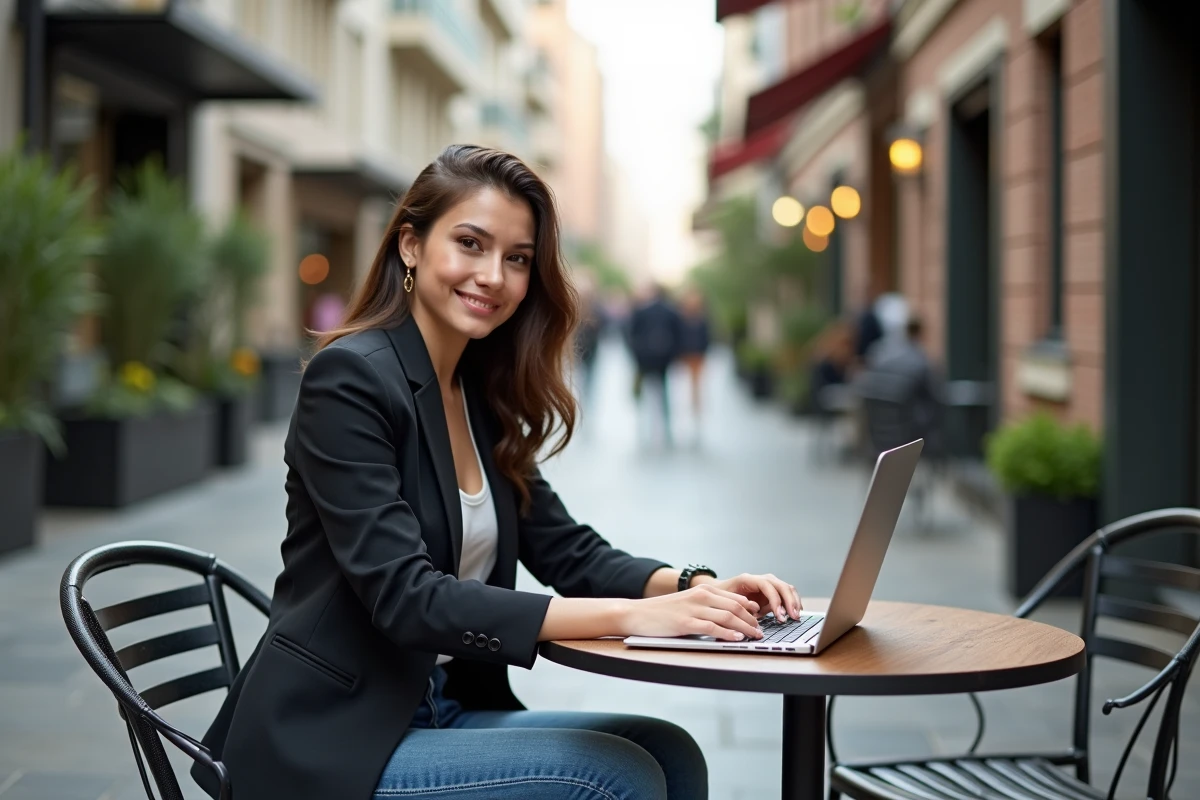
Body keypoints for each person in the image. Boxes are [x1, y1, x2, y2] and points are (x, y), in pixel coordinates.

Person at [192, 145, 802, 800]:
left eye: (516, 258)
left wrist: (696, 589)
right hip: (335, 739)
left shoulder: (473, 387)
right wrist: (633, 616)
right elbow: (407, 597)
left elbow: (565, 548)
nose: (494, 275)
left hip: (438, 706)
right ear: (410, 245)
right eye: (471, 244)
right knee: (616, 778)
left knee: (669, 751)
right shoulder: (352, 380)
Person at [627, 282, 683, 446]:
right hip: (659, 359)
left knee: (646, 393)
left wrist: (637, 354)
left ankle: (645, 427)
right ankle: (664, 428)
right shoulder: (670, 311)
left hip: (647, 359)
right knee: (662, 393)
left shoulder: (641, 311)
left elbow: (631, 335)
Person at [678, 288, 711, 424]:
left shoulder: (702, 318)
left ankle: (696, 410)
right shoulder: (682, 317)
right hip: (685, 355)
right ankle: (685, 411)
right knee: (683, 385)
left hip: (698, 356)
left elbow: (707, 337)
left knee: (696, 385)